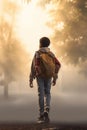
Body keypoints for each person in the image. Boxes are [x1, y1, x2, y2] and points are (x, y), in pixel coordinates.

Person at [29, 37, 61, 123]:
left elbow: (33, 66)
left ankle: (41, 114)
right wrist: (54, 77)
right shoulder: (51, 54)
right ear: (48, 44)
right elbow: (58, 64)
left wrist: (31, 78)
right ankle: (47, 109)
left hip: (40, 75)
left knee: (41, 94)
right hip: (49, 75)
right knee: (48, 93)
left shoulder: (37, 53)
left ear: (40, 44)